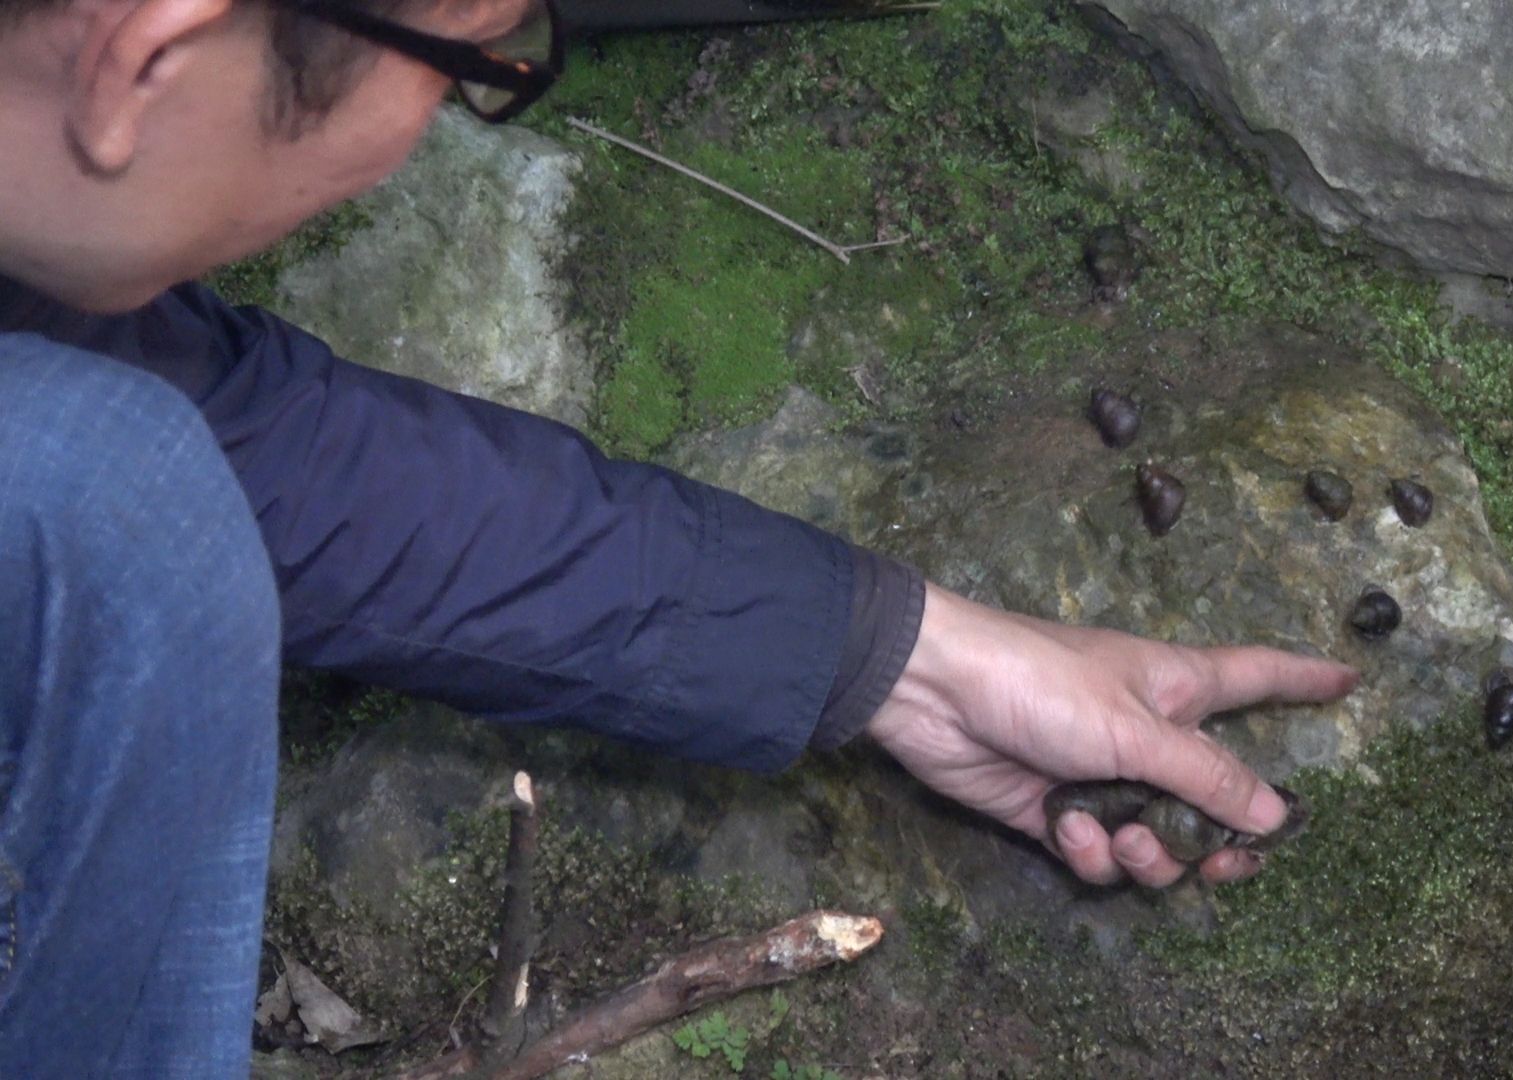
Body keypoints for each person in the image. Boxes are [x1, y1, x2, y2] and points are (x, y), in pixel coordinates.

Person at [0, 0, 1359, 1072]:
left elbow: (267, 462)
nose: (435, 127)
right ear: (145, 57)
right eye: (476, 57)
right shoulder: (112, 496)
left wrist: (900, 653)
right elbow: (131, 502)